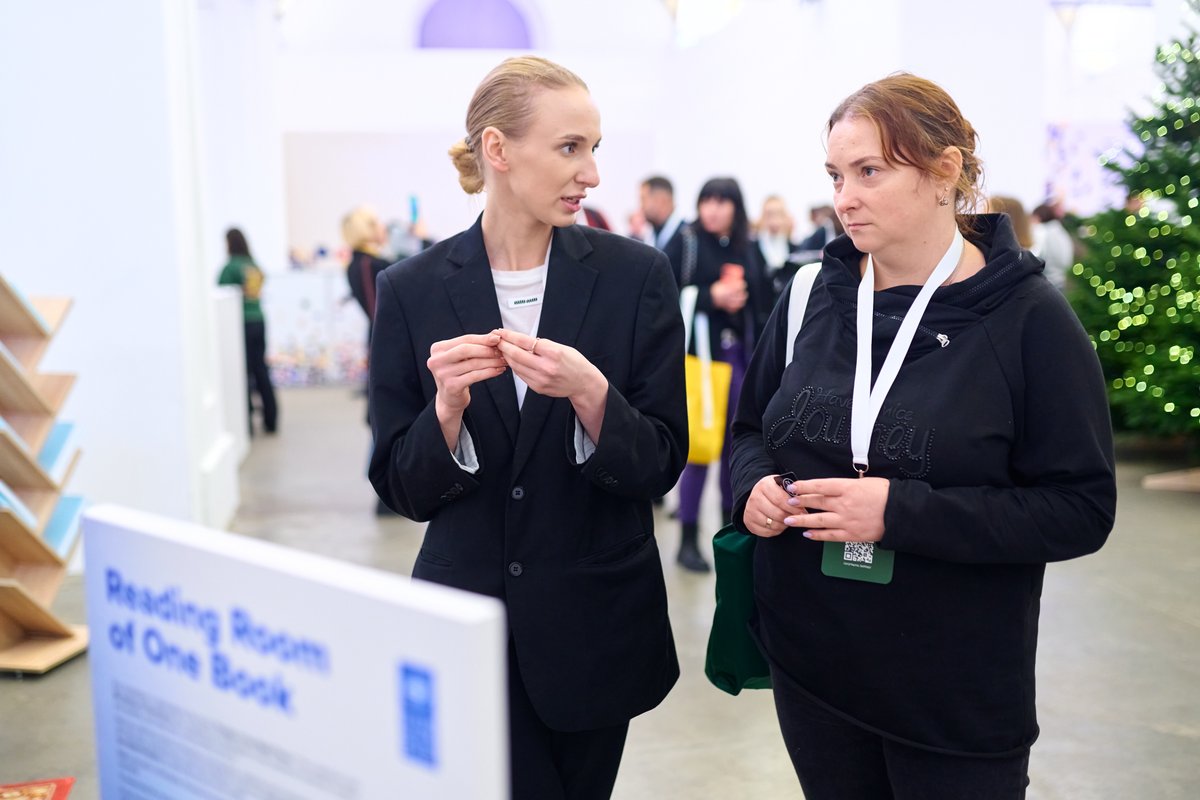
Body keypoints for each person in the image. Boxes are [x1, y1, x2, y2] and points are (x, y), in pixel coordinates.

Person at [729, 73, 1116, 799]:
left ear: (945, 172)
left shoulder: (1030, 322)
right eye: (837, 175)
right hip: (812, 665)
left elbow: (1081, 508)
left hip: (952, 692)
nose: (845, 197)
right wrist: (753, 485)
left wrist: (897, 513)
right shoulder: (812, 295)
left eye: (870, 172)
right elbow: (751, 428)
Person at [368, 56, 685, 799]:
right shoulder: (410, 291)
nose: (594, 173)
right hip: (467, 626)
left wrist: (593, 396)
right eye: (571, 147)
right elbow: (400, 486)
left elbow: (661, 461)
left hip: (596, 624)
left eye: (595, 148)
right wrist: (444, 413)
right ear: (498, 151)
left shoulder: (637, 277)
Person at [664, 177, 769, 572]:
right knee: (700, 448)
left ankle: (732, 531)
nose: (713, 209)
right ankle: (688, 538)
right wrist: (710, 297)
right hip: (700, 361)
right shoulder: (687, 241)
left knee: (736, 448)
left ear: (735, 208)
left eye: (722, 202)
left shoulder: (748, 245)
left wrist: (741, 302)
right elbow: (664, 291)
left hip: (741, 357)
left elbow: (763, 302)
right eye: (707, 200)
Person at [217, 228, 277, 435]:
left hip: (241, 323)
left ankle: (246, 423)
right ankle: (271, 418)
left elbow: (221, 293)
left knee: (242, 372)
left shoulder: (230, 267)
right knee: (261, 369)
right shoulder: (253, 265)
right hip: (259, 320)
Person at [343, 204, 392, 351]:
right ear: (367, 229)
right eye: (377, 222)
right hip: (387, 340)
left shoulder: (354, 264)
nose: (383, 227)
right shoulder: (370, 264)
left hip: (379, 339)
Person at [755, 194, 798, 303]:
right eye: (769, 214)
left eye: (778, 214)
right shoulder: (752, 248)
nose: (774, 220)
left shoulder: (794, 248)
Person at [634, 175, 687, 250]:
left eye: (643, 199)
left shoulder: (688, 238)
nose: (641, 207)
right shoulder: (649, 235)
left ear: (661, 200)